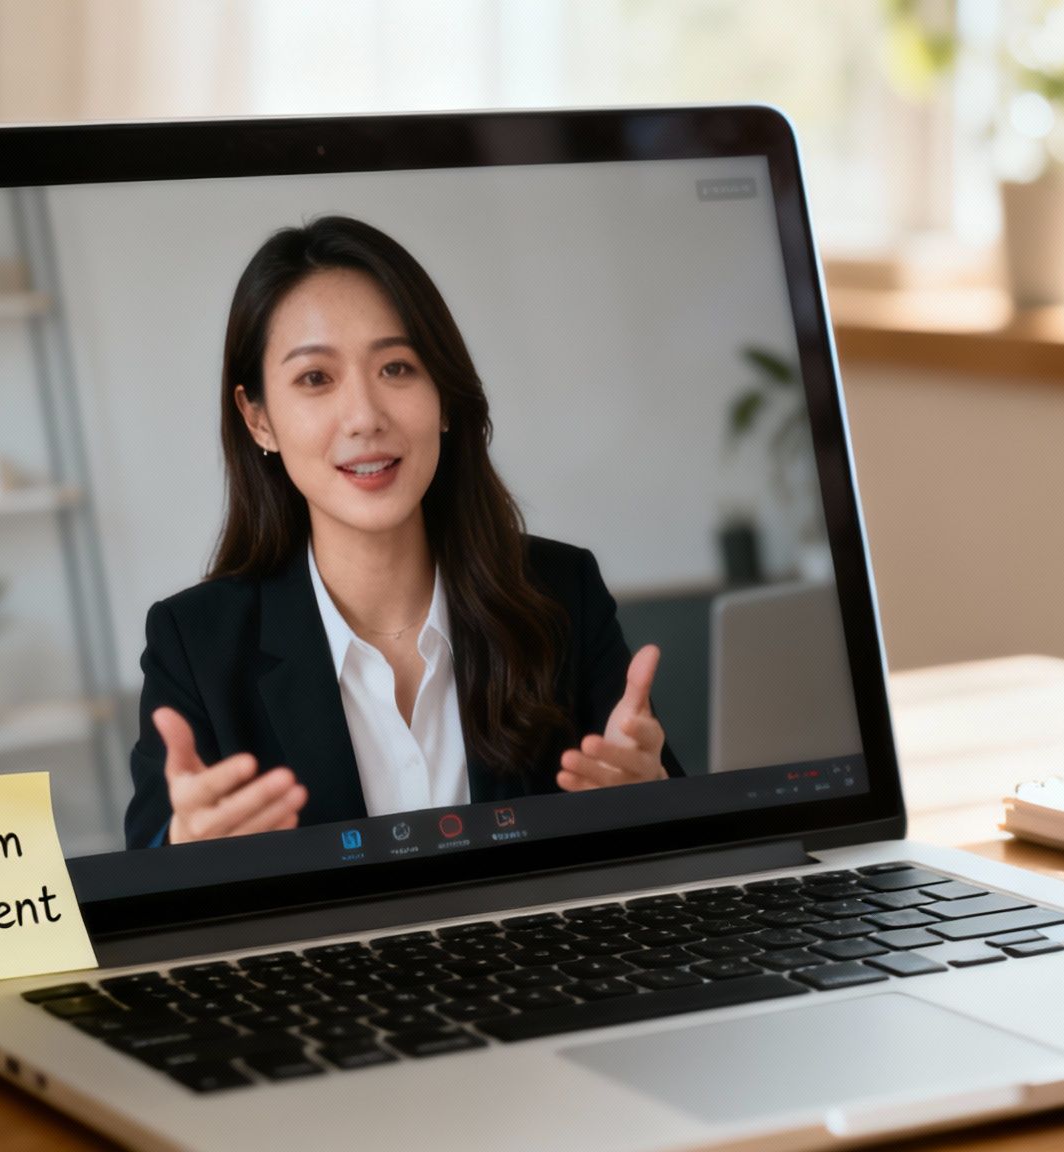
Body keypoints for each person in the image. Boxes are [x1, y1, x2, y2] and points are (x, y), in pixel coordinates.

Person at [124, 215, 681, 848]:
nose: (364, 417)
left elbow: (673, 837)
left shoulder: (561, 594)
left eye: (396, 368)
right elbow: (147, 870)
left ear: (443, 396)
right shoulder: (194, 645)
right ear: (259, 420)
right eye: (315, 378)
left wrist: (656, 797)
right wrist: (184, 854)